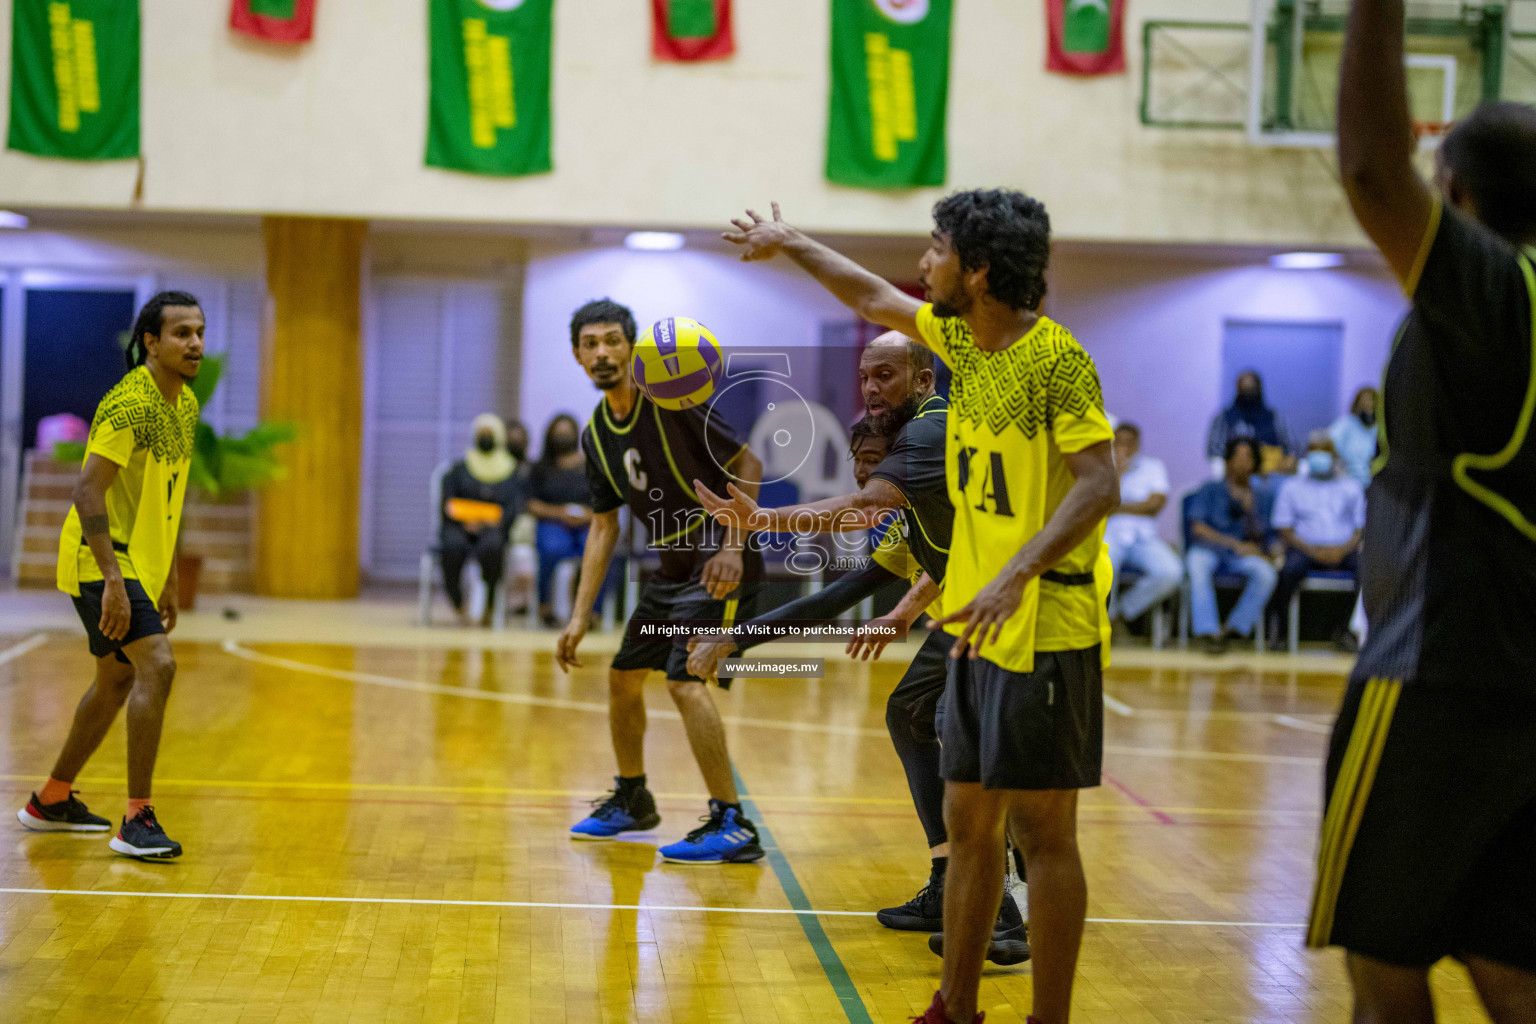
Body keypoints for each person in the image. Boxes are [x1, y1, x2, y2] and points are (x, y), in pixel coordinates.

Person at [721, 192, 1117, 1024]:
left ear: (975, 270)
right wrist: (789, 239)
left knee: (1045, 840)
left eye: (934, 250)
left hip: (1047, 626)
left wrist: (1017, 573)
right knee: (967, 827)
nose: (922, 264)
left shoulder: (1059, 361)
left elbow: (1098, 484)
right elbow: (870, 296)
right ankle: (955, 1006)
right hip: (972, 625)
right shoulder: (962, 347)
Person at [1306, 2, 1536, 1019]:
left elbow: (1366, 170)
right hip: (1522, 679)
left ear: (1454, 185)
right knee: (1510, 959)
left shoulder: (1494, 291)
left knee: (1383, 955)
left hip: (1438, 668)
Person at [695, 337, 1027, 962]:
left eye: (885, 374)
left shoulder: (929, 435)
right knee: (911, 713)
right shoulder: (913, 489)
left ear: (923, 378)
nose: (871, 386)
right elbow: (848, 592)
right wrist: (737, 638)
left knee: (967, 743)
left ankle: (1006, 908)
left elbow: (859, 509)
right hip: (980, 605)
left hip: (1020, 607)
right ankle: (946, 882)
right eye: (864, 376)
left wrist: (759, 521)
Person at [556, 298, 769, 865]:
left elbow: (750, 464)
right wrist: (580, 615)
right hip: (670, 570)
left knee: (684, 681)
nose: (602, 352)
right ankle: (633, 799)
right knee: (623, 677)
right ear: (577, 356)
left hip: (719, 563)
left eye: (612, 340)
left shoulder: (671, 398)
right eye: (590, 343)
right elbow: (604, 528)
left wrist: (732, 546)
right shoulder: (596, 433)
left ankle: (733, 821)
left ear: (631, 348)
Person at [16, 292, 205, 861]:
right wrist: (115, 581)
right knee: (159, 666)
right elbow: (86, 489)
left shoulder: (185, 403)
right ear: (151, 341)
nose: (195, 343)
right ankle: (136, 819)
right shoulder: (129, 404)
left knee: (115, 683)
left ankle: (50, 800)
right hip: (101, 561)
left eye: (199, 332)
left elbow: (170, 494)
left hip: (139, 565)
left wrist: (166, 576)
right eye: (181, 333)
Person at [1265, 435, 1366, 651]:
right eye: (1314, 450)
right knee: (1287, 571)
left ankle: (1346, 631)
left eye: (1324, 451)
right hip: (1304, 548)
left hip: (1343, 549)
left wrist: (1342, 549)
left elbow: (1360, 528)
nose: (1319, 456)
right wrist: (1312, 550)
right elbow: (1284, 527)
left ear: (1335, 457)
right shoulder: (1292, 487)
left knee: (1367, 570)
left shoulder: (1351, 487)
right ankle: (1281, 630)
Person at [1184, 437, 1278, 654]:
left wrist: (1250, 512)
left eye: (1248, 457)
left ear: (1256, 463)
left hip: (1242, 555)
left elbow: (1266, 536)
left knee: (1266, 573)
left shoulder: (1262, 496)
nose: (1242, 462)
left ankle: (1233, 629)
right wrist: (1232, 543)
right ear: (1227, 461)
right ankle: (1208, 632)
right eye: (1237, 456)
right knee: (1196, 562)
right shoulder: (1210, 489)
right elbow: (1198, 528)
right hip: (1211, 549)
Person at [439, 413, 523, 627]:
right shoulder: (459, 470)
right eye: (481, 433)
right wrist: (466, 521)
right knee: (451, 546)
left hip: (493, 530)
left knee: (493, 547)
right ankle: (458, 603)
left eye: (490, 433)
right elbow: (447, 502)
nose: (485, 437)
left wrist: (491, 522)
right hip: (460, 527)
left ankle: (490, 604)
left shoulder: (510, 471)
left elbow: (513, 507)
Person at [1105, 423, 1182, 630]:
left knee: (1172, 572)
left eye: (1129, 443)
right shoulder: (1102, 467)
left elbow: (1155, 504)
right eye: (1119, 442)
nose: (1124, 448)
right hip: (1110, 534)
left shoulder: (1152, 467)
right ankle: (1104, 620)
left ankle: (1122, 613)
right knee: (1105, 566)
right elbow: (1103, 505)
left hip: (1144, 538)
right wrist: (1118, 474)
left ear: (1138, 445)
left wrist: (1118, 508)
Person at [526, 414, 595, 627]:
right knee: (552, 547)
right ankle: (544, 605)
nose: (563, 436)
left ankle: (590, 611)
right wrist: (560, 513)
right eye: (558, 433)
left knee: (596, 550)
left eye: (567, 432)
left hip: (586, 524)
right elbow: (531, 504)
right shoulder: (540, 468)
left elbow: (606, 503)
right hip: (552, 522)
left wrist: (587, 515)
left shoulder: (592, 467)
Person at [1205, 371, 1295, 476]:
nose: (1248, 395)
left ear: (1259, 389)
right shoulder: (1225, 417)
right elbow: (1213, 449)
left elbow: (1290, 448)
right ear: (1238, 390)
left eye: (1251, 390)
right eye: (1245, 390)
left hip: (1271, 475)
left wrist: (1284, 465)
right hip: (1234, 476)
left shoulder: (1274, 417)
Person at [1328, 386, 1379, 488]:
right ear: (1357, 404)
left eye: (1371, 400)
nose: (1368, 404)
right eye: (1364, 401)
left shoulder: (1380, 429)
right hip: (1348, 482)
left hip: (1375, 485)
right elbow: (1328, 442)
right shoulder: (1346, 424)